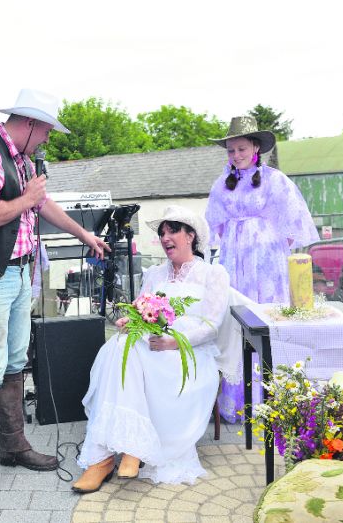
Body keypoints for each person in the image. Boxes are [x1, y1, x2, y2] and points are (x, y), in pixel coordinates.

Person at [0, 88, 110, 511]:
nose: (48, 141)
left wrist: (83, 234)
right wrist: (27, 199)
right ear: (30, 125)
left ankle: (15, 445)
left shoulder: (20, 157)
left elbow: (40, 206)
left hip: (20, 271)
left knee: (16, 361)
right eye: (46, 133)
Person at [72, 205, 238, 492]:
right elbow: (143, 312)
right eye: (162, 233)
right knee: (119, 345)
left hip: (189, 354)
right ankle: (109, 455)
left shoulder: (213, 274)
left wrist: (174, 343)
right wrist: (131, 320)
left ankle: (115, 455)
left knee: (128, 353)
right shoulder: (154, 274)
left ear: (191, 236)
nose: (165, 238)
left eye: (172, 231)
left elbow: (211, 325)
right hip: (151, 346)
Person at [205, 116, 319, 423]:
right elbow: (210, 227)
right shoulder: (221, 184)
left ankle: (274, 396)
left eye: (241, 148)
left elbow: (295, 221)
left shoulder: (275, 180)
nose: (236, 155)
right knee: (237, 323)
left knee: (268, 320)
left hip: (267, 264)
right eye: (231, 150)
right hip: (233, 260)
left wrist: (270, 244)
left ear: (255, 148)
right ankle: (241, 401)